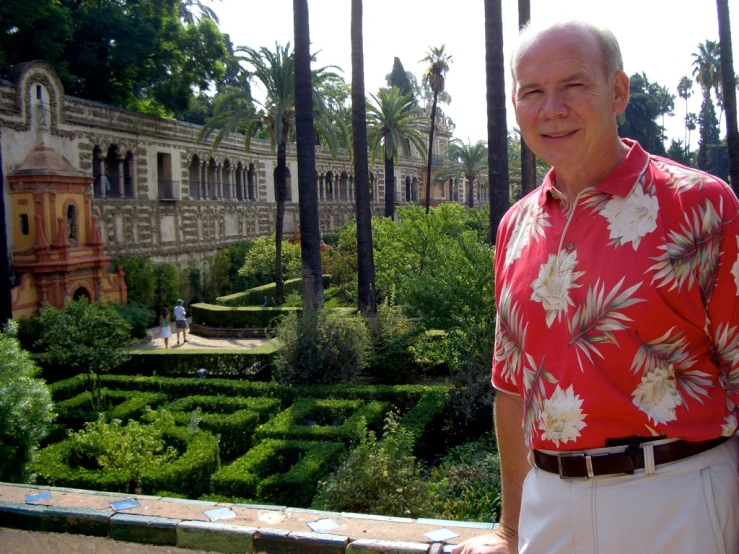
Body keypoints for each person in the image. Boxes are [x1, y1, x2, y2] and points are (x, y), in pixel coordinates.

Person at [453, 20, 739, 554]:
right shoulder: (515, 227)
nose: (552, 108)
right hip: (550, 505)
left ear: (618, 92)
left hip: (679, 498)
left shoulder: (703, 206)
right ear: (515, 105)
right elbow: (513, 388)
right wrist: (510, 531)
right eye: (532, 91)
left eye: (574, 85)